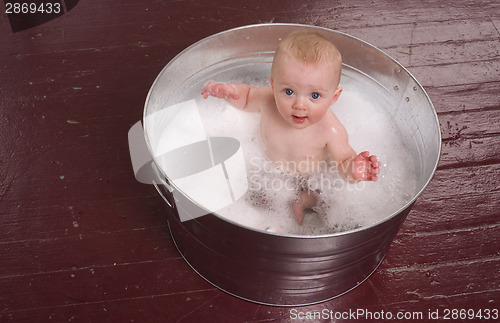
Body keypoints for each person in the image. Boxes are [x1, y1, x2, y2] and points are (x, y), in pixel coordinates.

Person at [201, 30, 380, 225]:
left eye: (314, 96)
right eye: (289, 91)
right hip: (267, 169)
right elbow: (245, 98)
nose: (300, 105)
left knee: (323, 193)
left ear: (334, 97)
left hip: (311, 177)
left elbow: (343, 160)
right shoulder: (266, 99)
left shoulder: (331, 129)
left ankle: (302, 201)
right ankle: (252, 214)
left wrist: (353, 170)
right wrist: (229, 91)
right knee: (242, 186)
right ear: (273, 85)